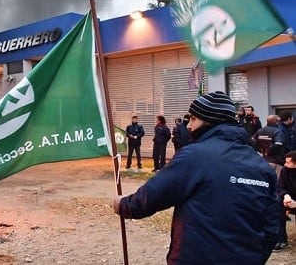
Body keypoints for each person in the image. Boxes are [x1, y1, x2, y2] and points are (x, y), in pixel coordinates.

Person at [113, 91, 279, 264]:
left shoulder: (195, 156)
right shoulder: (261, 166)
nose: (189, 126)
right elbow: (272, 227)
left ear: (209, 120)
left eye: (193, 119)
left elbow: (155, 194)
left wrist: (124, 205)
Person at [274, 150, 296, 252]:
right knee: (277, 203)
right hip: (289, 200)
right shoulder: (285, 170)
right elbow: (280, 187)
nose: (284, 164)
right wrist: (286, 196)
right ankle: (281, 240)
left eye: (288, 162)